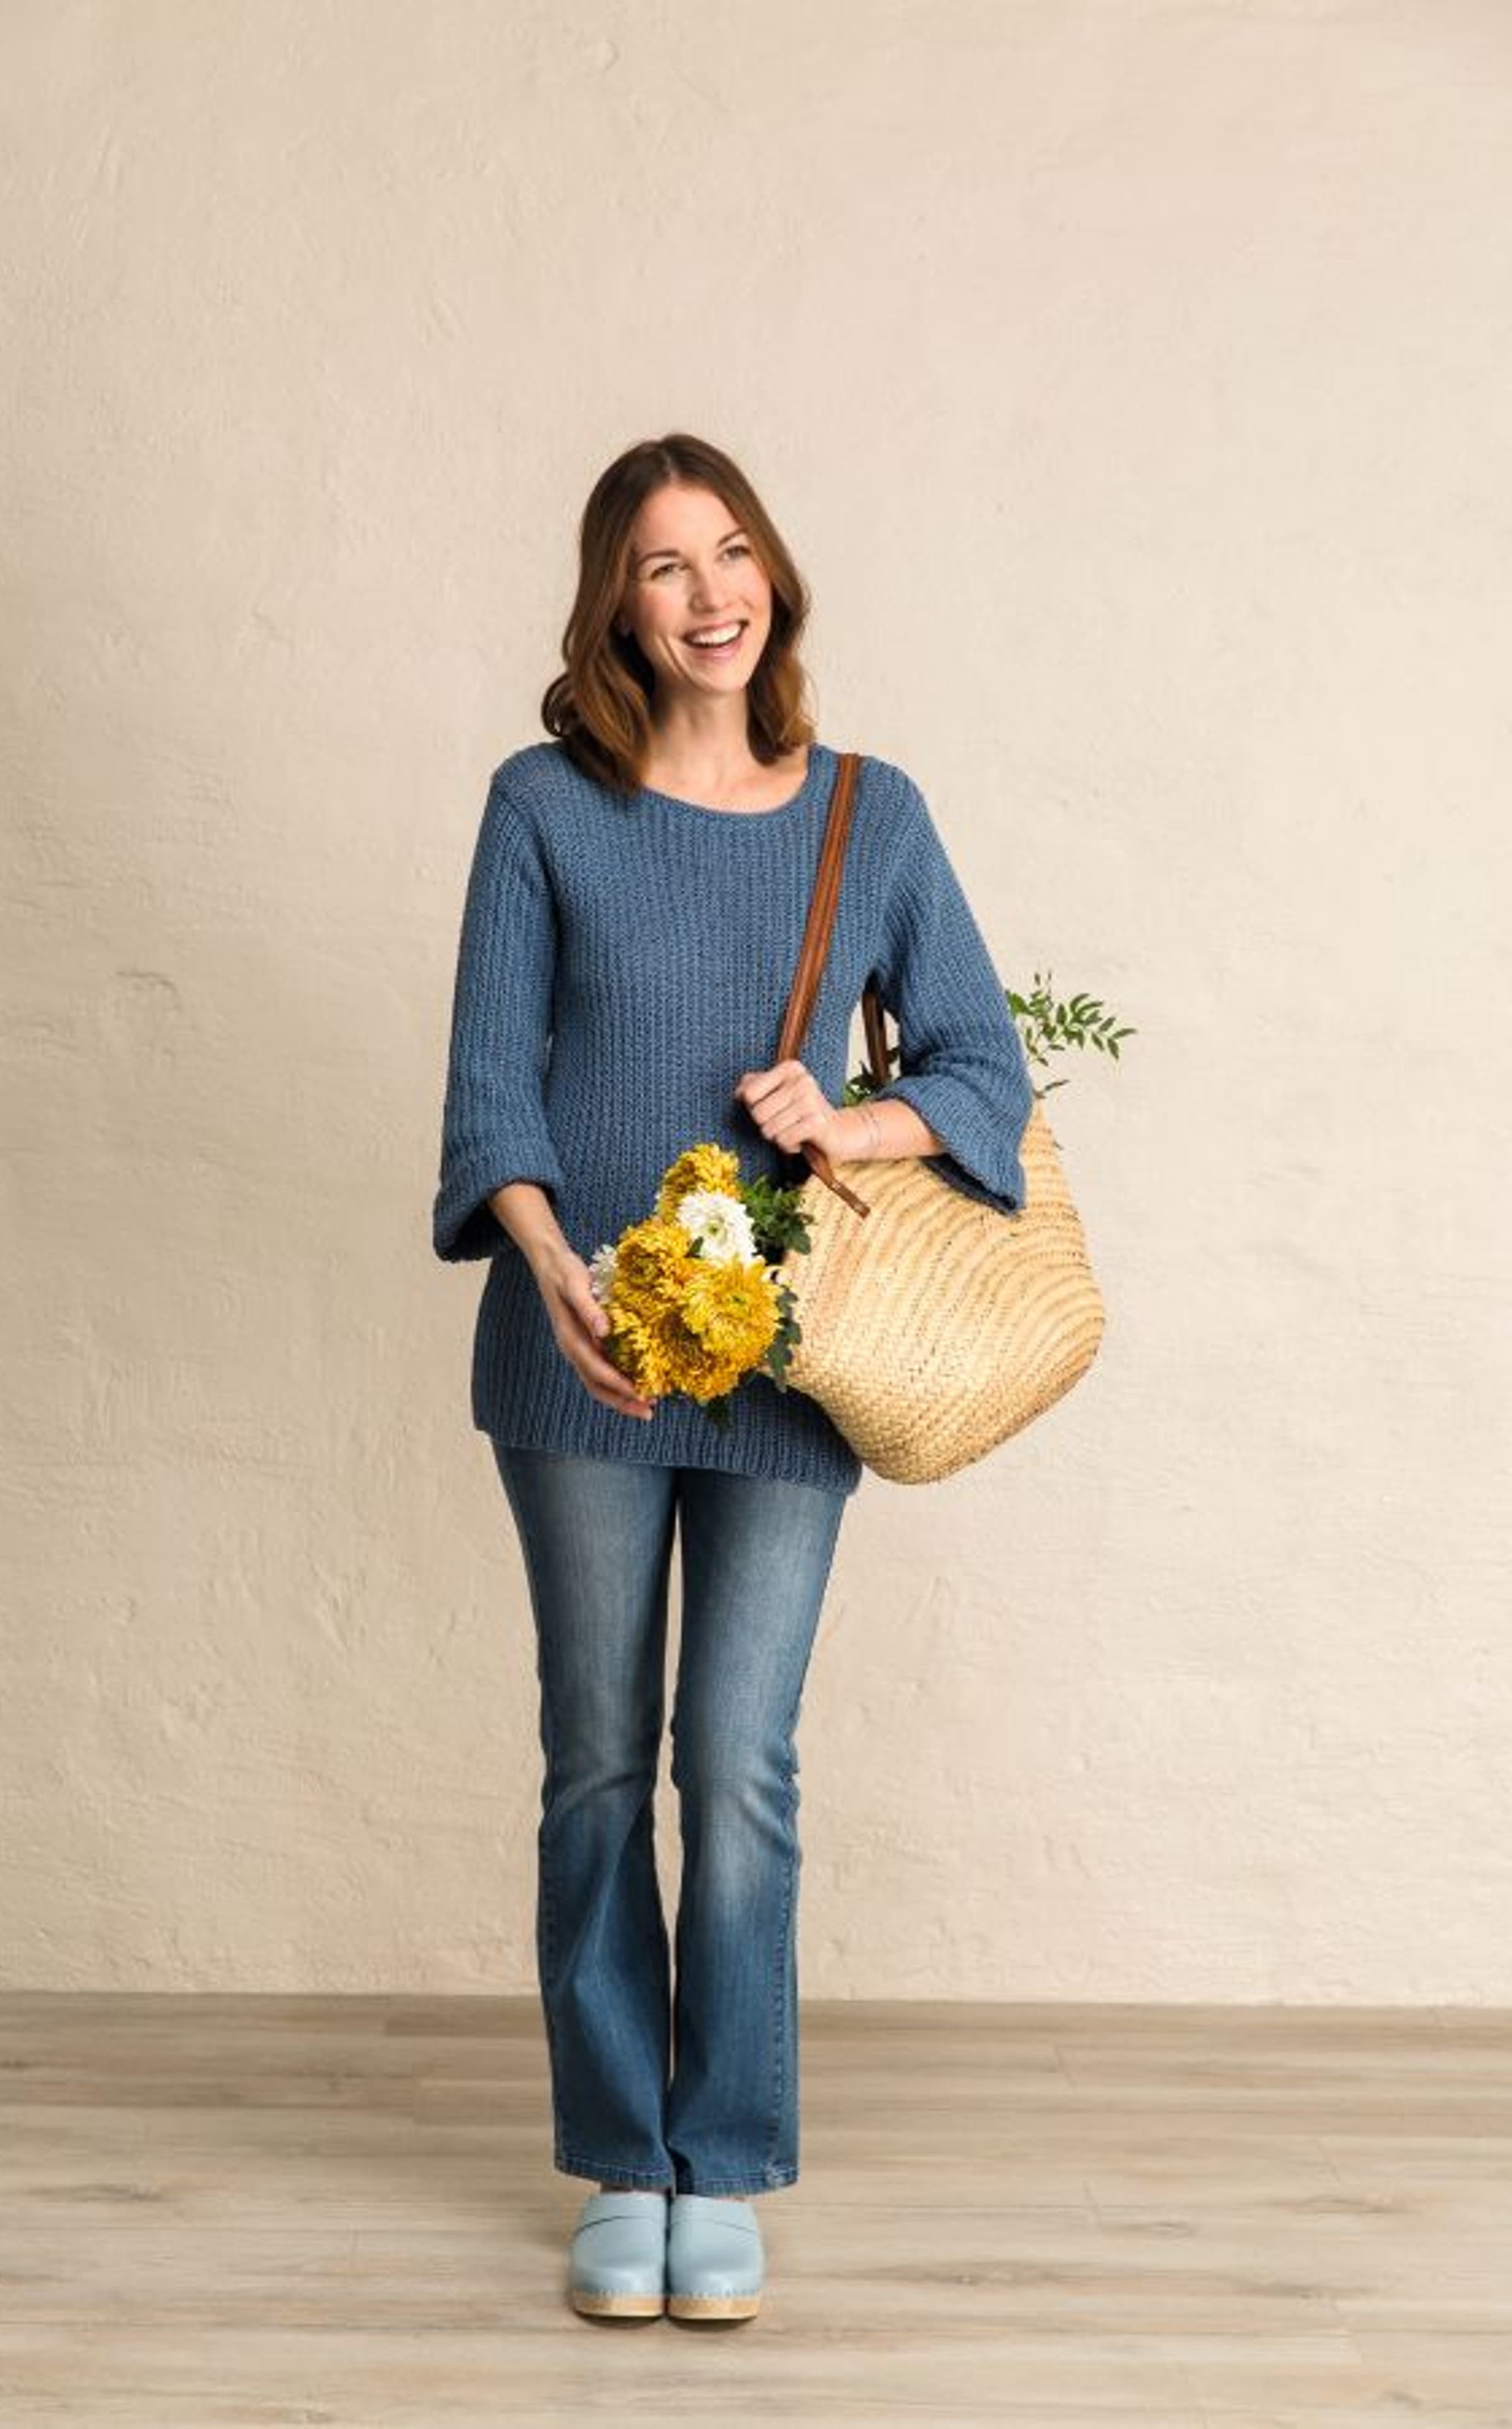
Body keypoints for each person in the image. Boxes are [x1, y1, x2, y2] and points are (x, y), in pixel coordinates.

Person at [431, 432, 1031, 2323]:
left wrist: (849, 1125)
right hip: (584, 1365)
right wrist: (550, 1270)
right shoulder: (544, 806)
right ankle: (626, 2161)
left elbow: (983, 1072)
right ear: (617, 606)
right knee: (599, 1759)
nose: (710, 594)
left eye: (734, 552)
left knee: (740, 1764)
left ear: (774, 575)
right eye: (665, 565)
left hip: (787, 1371)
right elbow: (491, 1082)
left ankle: (730, 2160)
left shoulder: (872, 813)